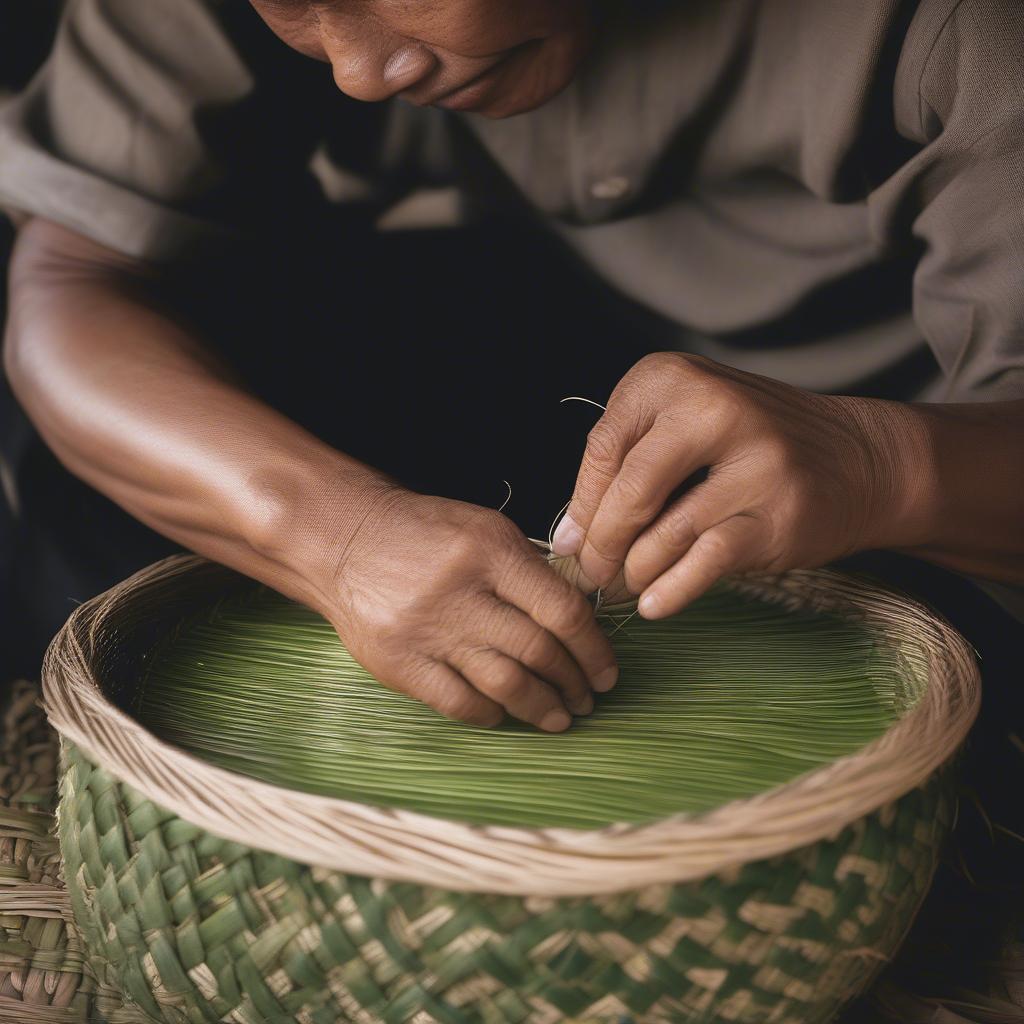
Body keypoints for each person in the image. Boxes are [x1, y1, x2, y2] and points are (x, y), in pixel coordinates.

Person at [2, 0, 1023, 733]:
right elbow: (75, 279)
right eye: (299, 11)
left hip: (932, 468)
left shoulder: (961, 29)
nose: (359, 70)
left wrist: (881, 462)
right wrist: (333, 535)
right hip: (569, 323)